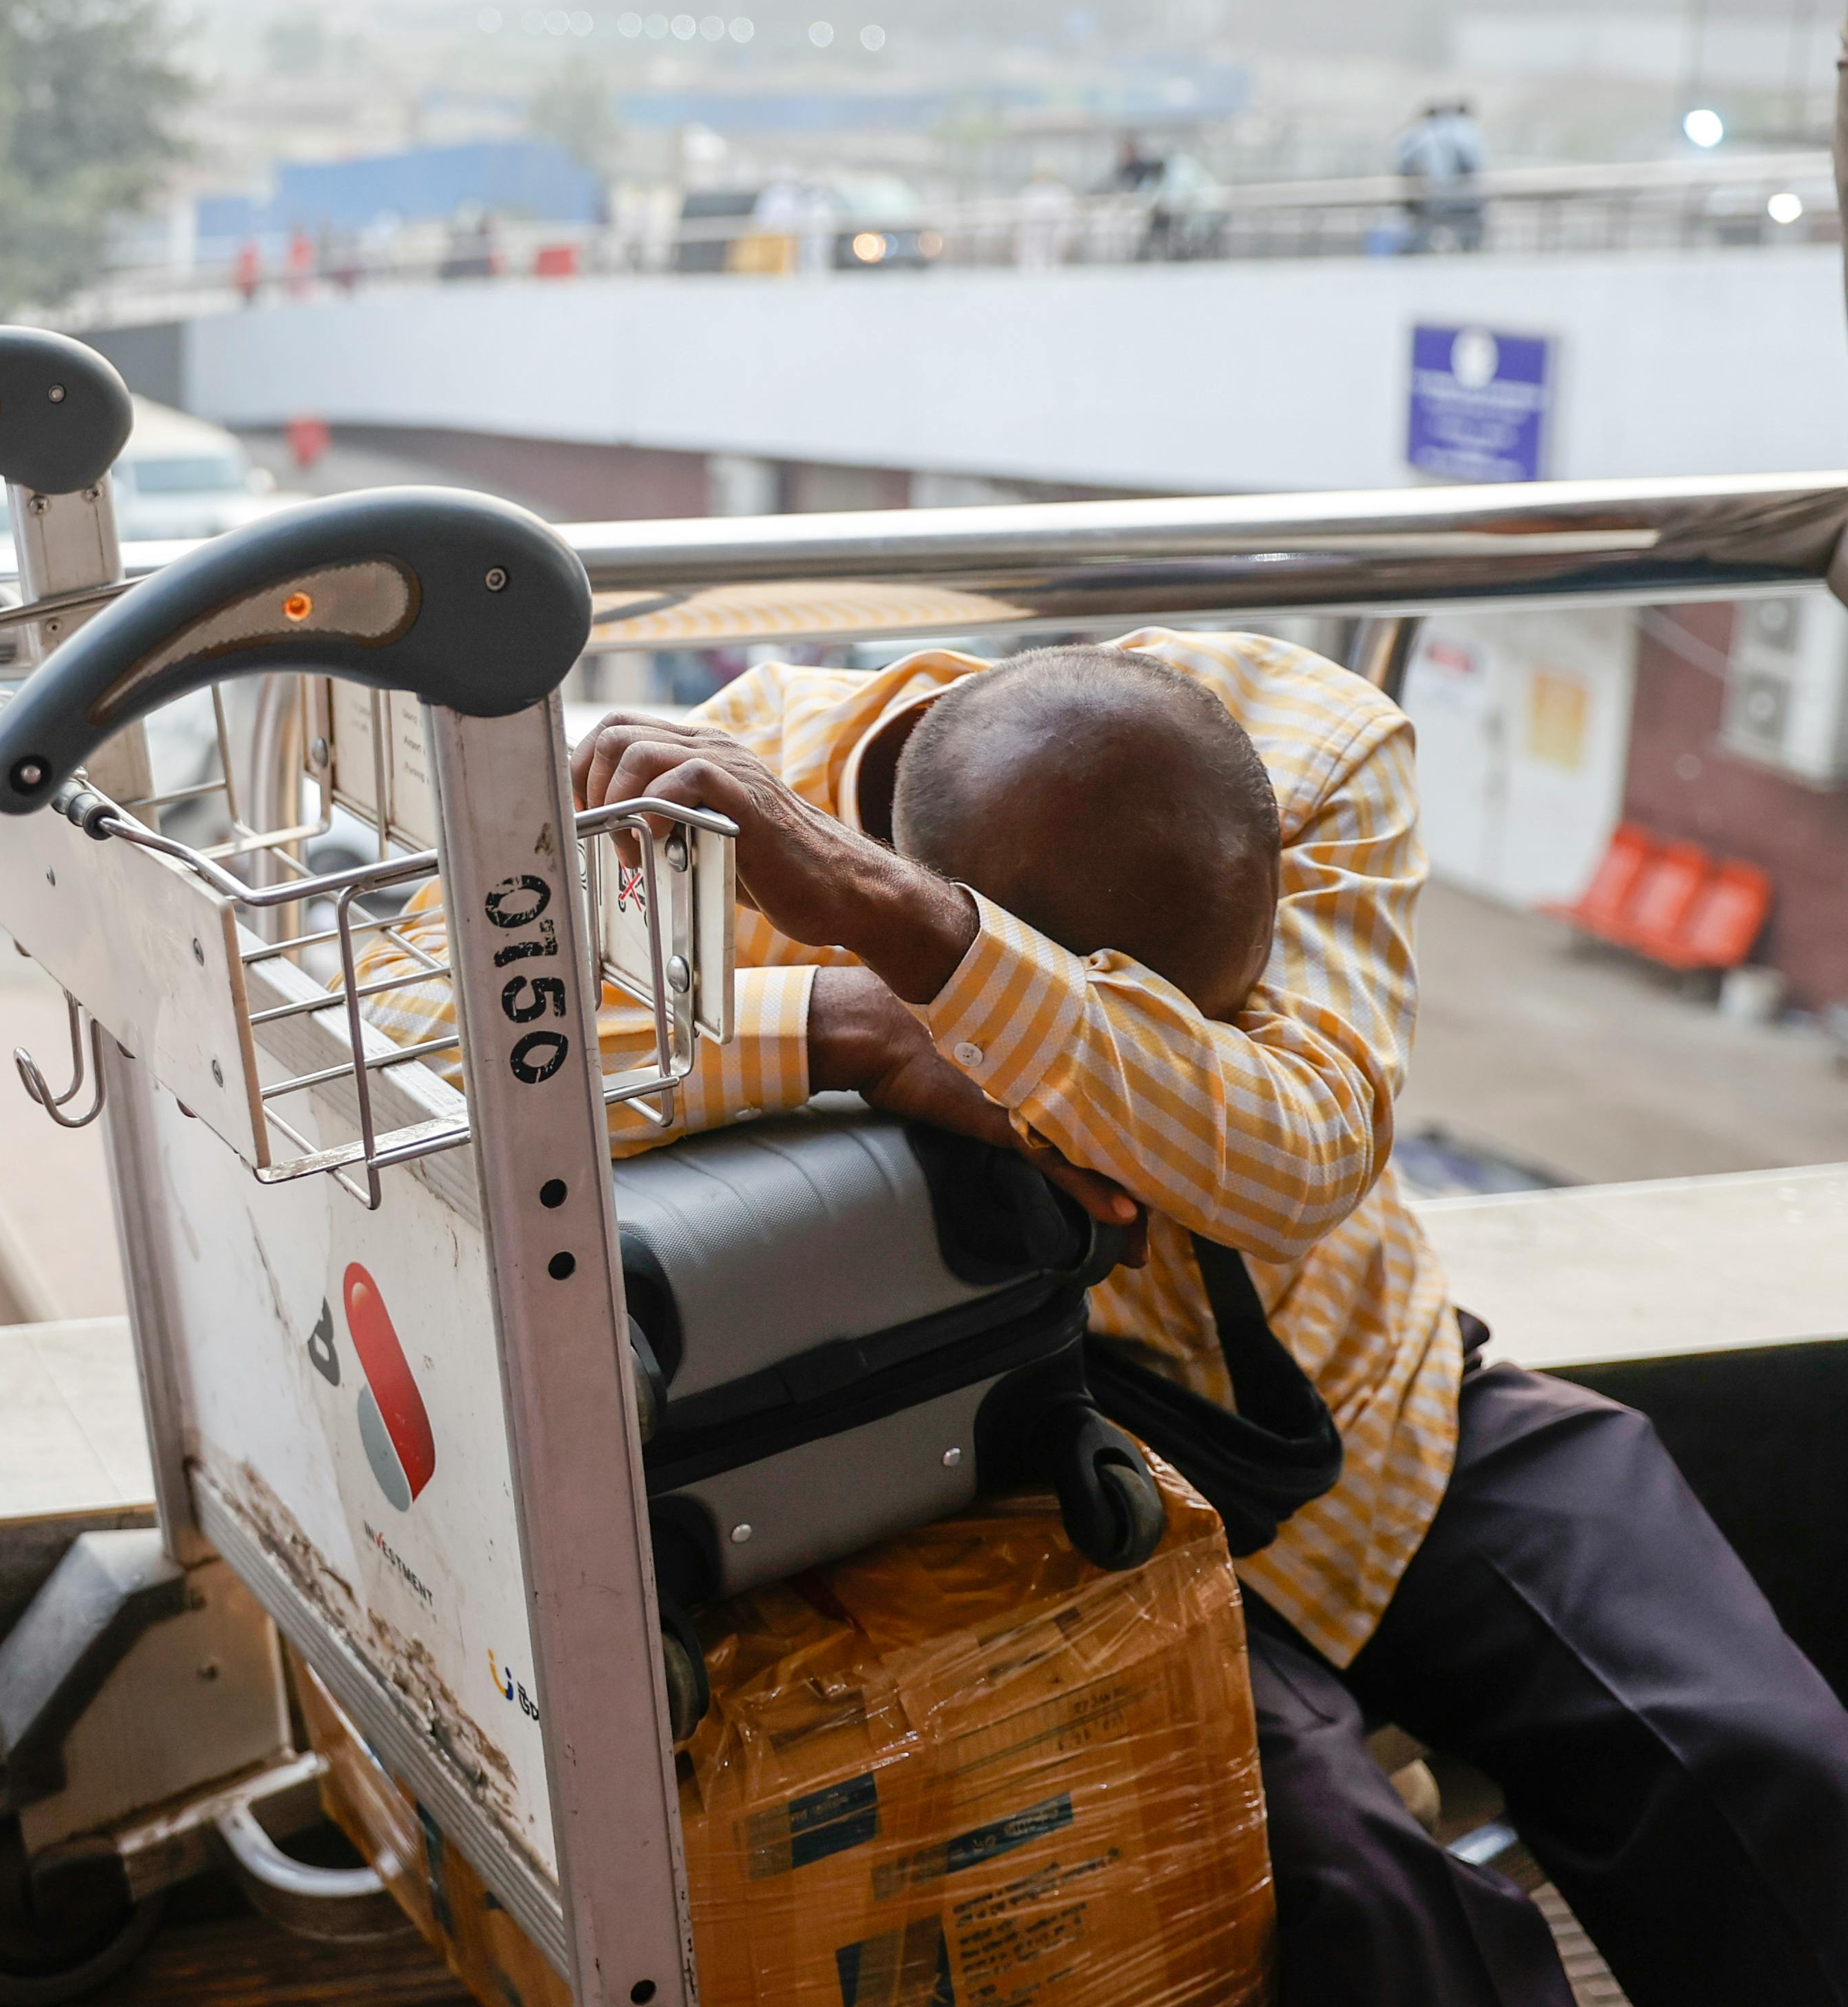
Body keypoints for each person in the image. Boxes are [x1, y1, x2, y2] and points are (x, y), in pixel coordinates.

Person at [370, 633, 1848, 2006]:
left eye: (1188, 1025)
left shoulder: (1305, 745)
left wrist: (926, 946)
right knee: (1350, 1913)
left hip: (1379, 1399)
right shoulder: (696, 804)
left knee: (1759, 1761)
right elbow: (404, 1034)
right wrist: (839, 1025)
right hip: (1036, 1481)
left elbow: (1296, 1146)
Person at [1398, 97, 1489, 253]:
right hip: (1459, 195)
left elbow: (1403, 160)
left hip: (1429, 194)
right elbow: (1472, 163)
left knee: (1423, 233)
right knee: (1469, 236)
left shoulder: (1419, 133)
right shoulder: (1465, 130)